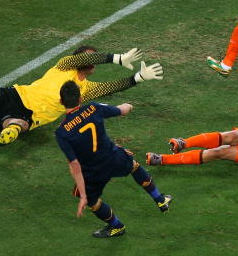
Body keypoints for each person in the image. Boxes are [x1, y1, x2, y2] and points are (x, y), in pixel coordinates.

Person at [0, 45, 163, 146]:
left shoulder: (86, 90)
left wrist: (138, 78)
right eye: (88, 57)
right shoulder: (65, 64)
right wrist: (117, 58)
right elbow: (86, 57)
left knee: (16, 127)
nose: (91, 62)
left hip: (31, 116)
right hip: (15, 95)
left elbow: (111, 88)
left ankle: (4, 135)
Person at [55, 81, 172, 238]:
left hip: (92, 171)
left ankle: (116, 226)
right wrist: (129, 105)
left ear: (61, 101)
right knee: (134, 166)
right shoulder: (93, 108)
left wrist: (83, 196)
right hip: (113, 157)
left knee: (93, 201)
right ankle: (160, 199)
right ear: (80, 98)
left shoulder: (62, 132)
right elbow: (122, 110)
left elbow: (74, 165)